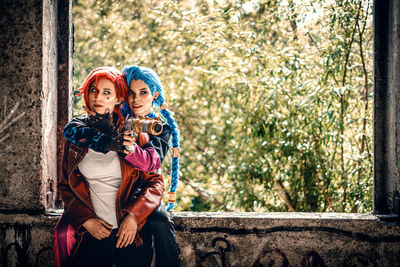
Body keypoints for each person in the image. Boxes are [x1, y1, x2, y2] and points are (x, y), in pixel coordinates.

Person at [54, 67, 164, 267]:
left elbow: (155, 182)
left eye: (107, 93)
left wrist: (133, 217)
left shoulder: (134, 132)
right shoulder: (77, 134)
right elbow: (65, 185)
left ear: (119, 99)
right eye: (93, 90)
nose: (98, 97)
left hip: (130, 234)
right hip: (93, 233)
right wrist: (86, 220)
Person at [121, 65, 181, 267]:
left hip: (147, 190)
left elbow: (152, 161)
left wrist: (131, 149)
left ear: (154, 95)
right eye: (131, 93)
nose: (136, 99)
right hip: (118, 189)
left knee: (160, 221)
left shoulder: (160, 128)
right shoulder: (117, 122)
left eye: (143, 92)